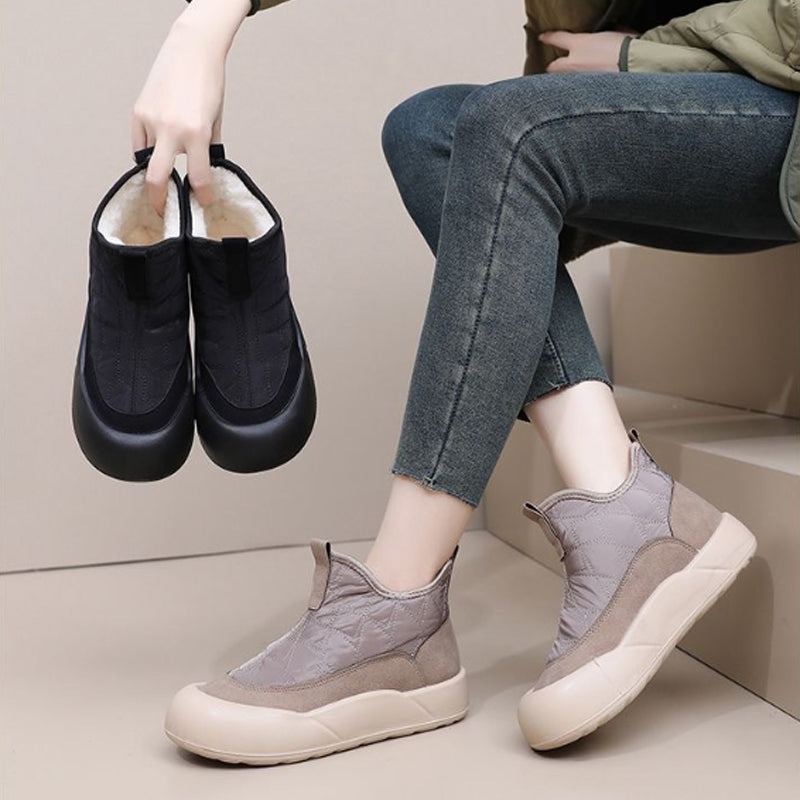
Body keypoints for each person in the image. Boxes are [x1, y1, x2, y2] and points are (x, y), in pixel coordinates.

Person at [138, 0, 800, 764]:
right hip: (713, 86)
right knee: (428, 129)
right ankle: (623, 499)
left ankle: (398, 597)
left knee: (507, 127)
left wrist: (640, 59)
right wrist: (208, 21)